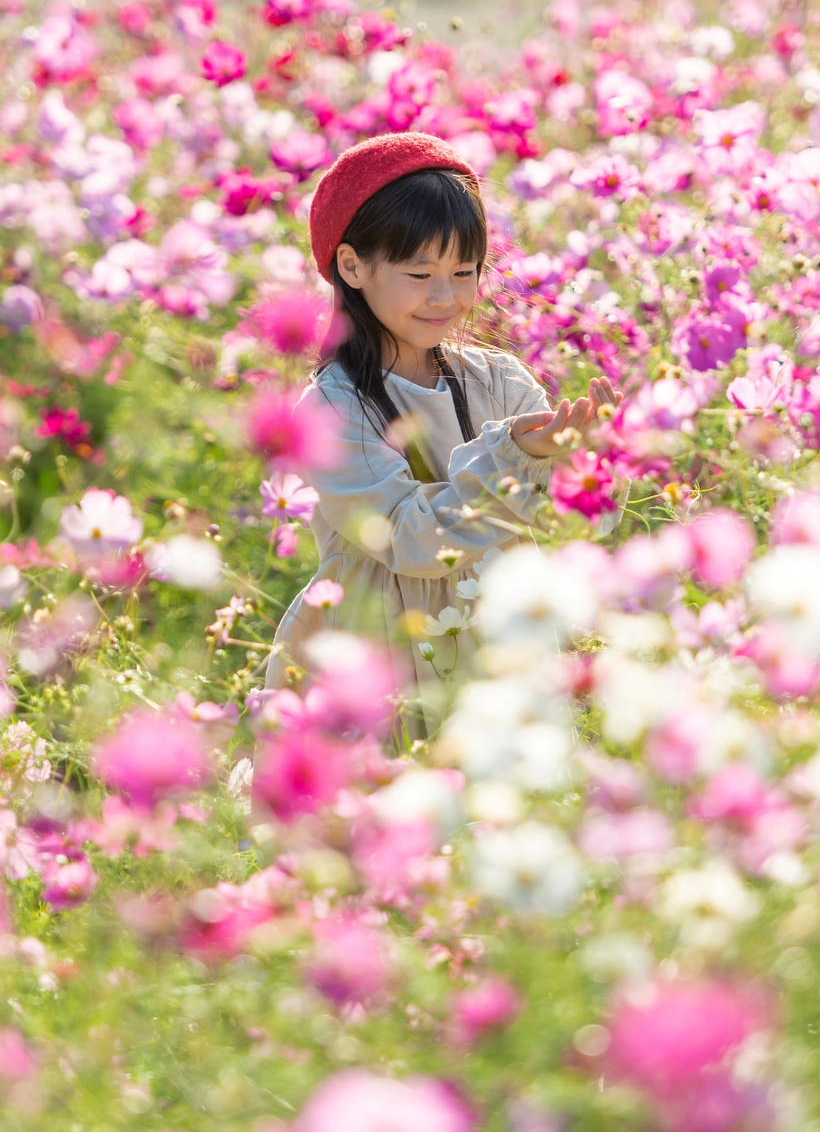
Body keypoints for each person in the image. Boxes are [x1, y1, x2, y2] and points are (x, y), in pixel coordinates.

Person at [264, 131, 619, 722]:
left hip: (503, 645)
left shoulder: (498, 382)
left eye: (463, 271)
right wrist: (516, 456)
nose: (446, 297)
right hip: (379, 655)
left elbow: (576, 523)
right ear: (352, 266)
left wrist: (590, 458)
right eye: (420, 273)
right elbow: (411, 540)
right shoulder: (333, 409)